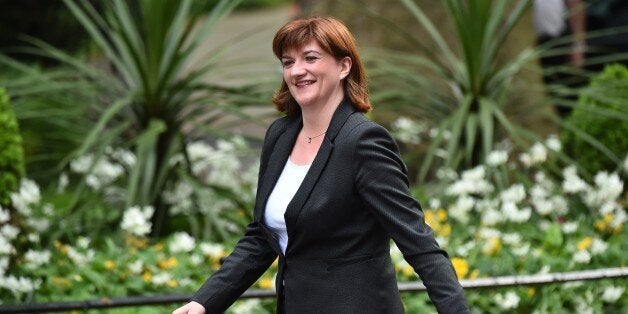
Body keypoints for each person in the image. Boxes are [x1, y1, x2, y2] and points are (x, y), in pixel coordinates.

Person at [173, 17, 469, 314]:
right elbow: (264, 236)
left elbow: (418, 242)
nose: (297, 70)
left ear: (344, 66)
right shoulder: (280, 135)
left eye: (310, 58)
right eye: (288, 62)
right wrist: (204, 302)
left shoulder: (363, 142)